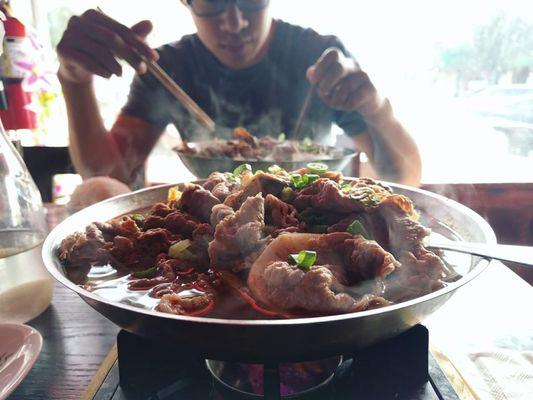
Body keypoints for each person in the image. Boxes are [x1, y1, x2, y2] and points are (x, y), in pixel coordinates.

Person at [56, 0, 421, 196]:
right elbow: (106, 175)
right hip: (211, 232)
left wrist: (376, 108)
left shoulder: (317, 55)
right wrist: (75, 81)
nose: (233, 22)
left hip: (308, 220)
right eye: (212, 3)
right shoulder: (167, 68)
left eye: (249, 1)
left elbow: (404, 176)